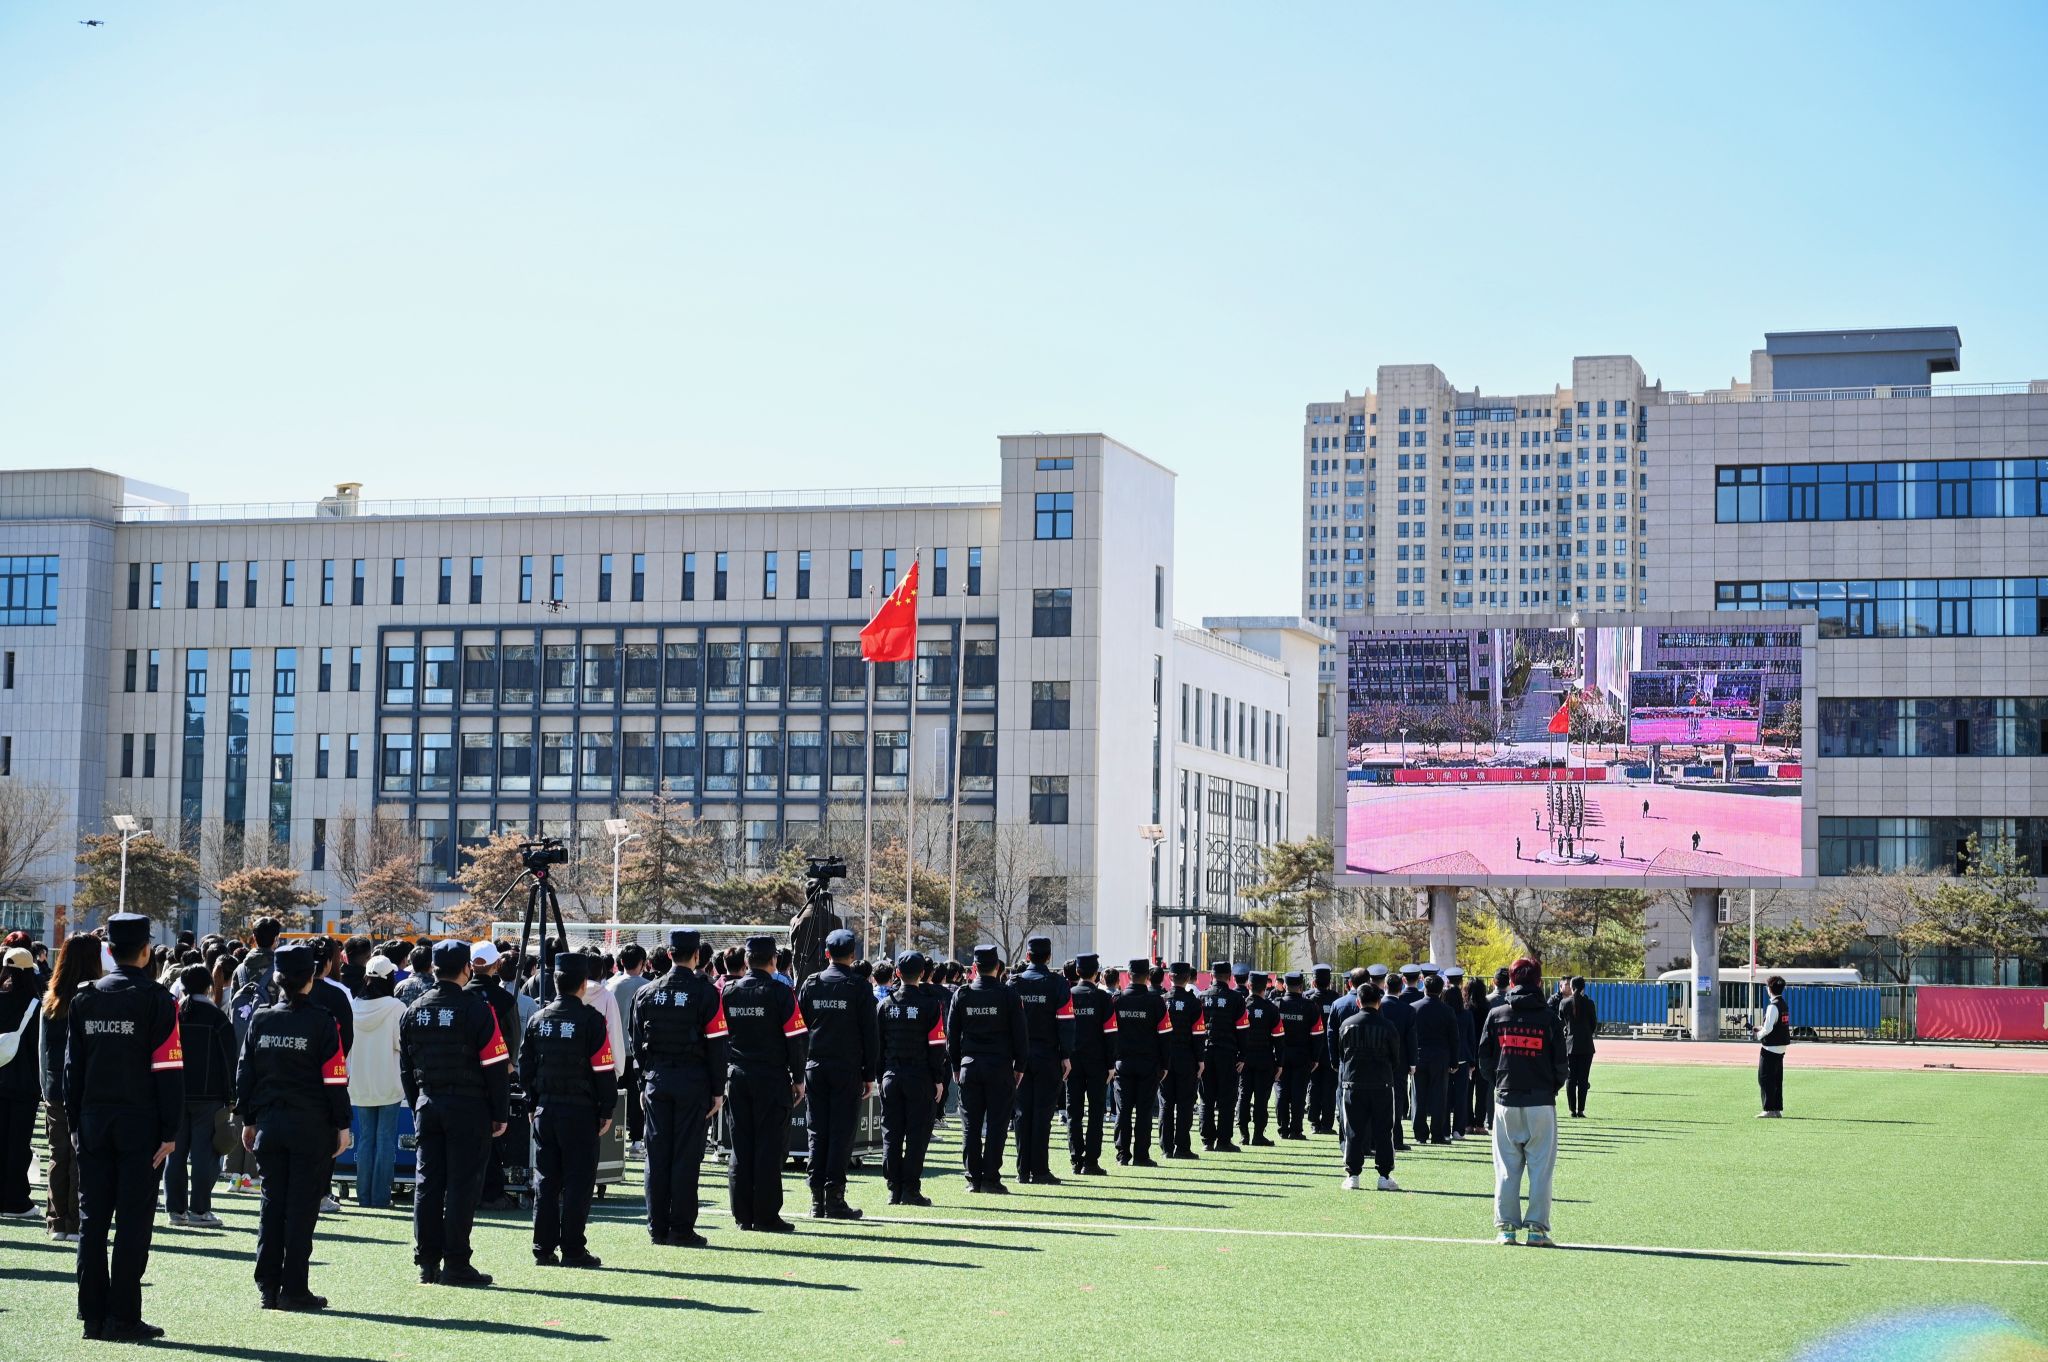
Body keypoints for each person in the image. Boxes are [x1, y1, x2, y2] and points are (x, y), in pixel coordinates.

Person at [67, 913, 182, 1342]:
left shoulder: (84, 997)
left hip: (93, 1120)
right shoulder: (157, 1000)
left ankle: (92, 1316)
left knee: (92, 1220)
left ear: (110, 951)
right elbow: (168, 1070)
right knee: (133, 1222)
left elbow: (72, 1070)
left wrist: (75, 1123)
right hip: (140, 1124)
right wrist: (170, 1131)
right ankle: (124, 1316)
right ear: (146, 951)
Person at [236, 943, 352, 1310]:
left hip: (270, 1124)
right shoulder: (322, 1021)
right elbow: (335, 1079)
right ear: (312, 976)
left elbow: (246, 1072)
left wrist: (248, 1119)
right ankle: (294, 1288)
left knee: (272, 1204)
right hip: (310, 1126)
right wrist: (343, 1125)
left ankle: (268, 1285)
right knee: (302, 1208)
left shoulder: (262, 1019)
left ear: (277, 978)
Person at [399, 939, 512, 1288]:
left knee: (427, 1184)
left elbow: (406, 1068)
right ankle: (457, 1263)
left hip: (428, 1103)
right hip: (468, 1107)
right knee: (462, 1186)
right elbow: (495, 1066)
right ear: (466, 968)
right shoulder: (477, 1009)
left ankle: (427, 1261)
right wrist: (500, 1112)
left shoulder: (414, 1009)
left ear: (434, 968)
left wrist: (418, 1103)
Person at [517, 953, 616, 1268]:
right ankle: (573, 1249)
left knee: (546, 1180)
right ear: (583, 984)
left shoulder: (538, 1019)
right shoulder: (591, 1020)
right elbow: (604, 1070)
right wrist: (607, 1109)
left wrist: (533, 1103)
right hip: (581, 1112)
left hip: (546, 1109)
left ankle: (543, 1248)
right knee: (578, 1181)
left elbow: (525, 1068)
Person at [632, 928, 728, 1247]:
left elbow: (637, 1044)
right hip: (692, 1082)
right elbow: (717, 1046)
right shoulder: (706, 993)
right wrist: (717, 1090)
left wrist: (645, 1082)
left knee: (657, 1155)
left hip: (656, 1081)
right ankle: (681, 1228)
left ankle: (656, 1227)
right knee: (686, 1156)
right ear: (697, 956)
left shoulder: (646, 992)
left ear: (669, 954)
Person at [1478, 957, 1567, 1247]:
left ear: (1512, 981)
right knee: (1541, 1169)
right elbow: (1561, 1064)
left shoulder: (1497, 1014)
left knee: (1506, 1167)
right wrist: (1550, 1088)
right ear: (1539, 982)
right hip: (1541, 1102)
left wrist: (1500, 1083)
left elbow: (1485, 1058)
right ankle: (1537, 1230)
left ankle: (1506, 1228)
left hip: (1506, 1099)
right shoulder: (1549, 1018)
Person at [722, 934, 807, 1232]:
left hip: (737, 1076)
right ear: (773, 960)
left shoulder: (728, 992)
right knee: (770, 1146)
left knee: (741, 1145)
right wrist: (799, 1078)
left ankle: (742, 1214)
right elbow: (797, 1040)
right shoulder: (781, 993)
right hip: (771, 1077)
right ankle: (766, 1215)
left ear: (746, 960)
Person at [797, 928, 878, 1219]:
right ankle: (834, 1198)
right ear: (853, 955)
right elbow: (870, 1034)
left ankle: (816, 1199)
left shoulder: (811, 983)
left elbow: (799, 1030)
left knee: (817, 1131)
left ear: (826, 954)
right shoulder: (859, 987)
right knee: (841, 1133)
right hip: (846, 1069)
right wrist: (869, 1074)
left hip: (815, 1067)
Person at [946, 944, 1027, 1193]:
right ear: (999, 967)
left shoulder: (963, 994)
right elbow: (1020, 1034)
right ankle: (991, 1178)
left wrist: (956, 1065)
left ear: (974, 967)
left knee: (970, 1125)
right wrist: (1020, 1065)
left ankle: (973, 1178)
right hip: (1000, 1066)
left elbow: (952, 1036)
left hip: (970, 1066)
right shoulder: (1008, 994)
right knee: (997, 1124)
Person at [39, 937, 102, 1243]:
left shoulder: (50, 1000)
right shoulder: (95, 998)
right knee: (82, 1155)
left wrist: (45, 1087)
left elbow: (42, 1050)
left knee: (58, 1153)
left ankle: (56, 1222)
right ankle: (77, 1222)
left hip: (54, 1086)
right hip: (87, 1086)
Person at [165, 962, 237, 1227]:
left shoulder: (173, 1015)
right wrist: (231, 1096)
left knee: (175, 1154)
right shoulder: (217, 1018)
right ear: (208, 986)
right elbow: (230, 1060)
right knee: (204, 1155)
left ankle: (176, 1210)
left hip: (175, 1093)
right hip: (210, 1096)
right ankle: (199, 1210)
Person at [877, 951, 947, 1205]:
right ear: (923, 974)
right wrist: (938, 1079)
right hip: (920, 1077)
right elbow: (937, 1046)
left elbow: (877, 1047)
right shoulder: (931, 1005)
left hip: (891, 1076)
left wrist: (880, 1076)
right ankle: (910, 1189)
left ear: (897, 973)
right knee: (917, 1135)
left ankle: (893, 1188)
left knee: (891, 1133)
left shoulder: (885, 1005)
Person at [1007, 936, 1073, 1184]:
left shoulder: (1014, 983)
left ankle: (1022, 1170)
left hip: (1019, 1058)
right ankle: (1040, 1170)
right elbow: (1066, 1023)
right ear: (1048, 957)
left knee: (1021, 1113)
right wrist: (1066, 1055)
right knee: (1043, 1113)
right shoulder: (1058, 984)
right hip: (1048, 1055)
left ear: (1027, 956)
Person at [348, 957, 407, 1209]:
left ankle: (363, 1195)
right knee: (385, 1140)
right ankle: (381, 1197)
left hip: (360, 1081)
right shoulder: (396, 1007)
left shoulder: (353, 1005)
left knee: (365, 1139)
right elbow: (401, 1044)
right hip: (389, 1081)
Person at [1335, 983, 1402, 1192]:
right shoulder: (1388, 1026)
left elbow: (1341, 1054)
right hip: (1382, 1084)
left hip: (1353, 1083)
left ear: (1358, 1001)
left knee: (1353, 1130)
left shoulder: (1346, 1024)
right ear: (1379, 1002)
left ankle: (1353, 1175)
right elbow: (1395, 1058)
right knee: (1384, 1130)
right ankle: (1384, 1176)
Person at [0, 947, 43, 1219]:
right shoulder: (35, 1005)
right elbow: (38, 1049)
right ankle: (16, 1201)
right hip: (24, 1085)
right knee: (18, 1143)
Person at [1111, 957, 1166, 1166]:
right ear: (1147, 977)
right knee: (1144, 1111)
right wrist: (1165, 1064)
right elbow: (1165, 1035)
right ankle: (1141, 1155)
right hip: (1148, 1064)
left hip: (1122, 1063)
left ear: (1128, 975)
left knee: (1123, 1110)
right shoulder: (1156, 1001)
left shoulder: (1117, 1000)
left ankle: (1122, 1154)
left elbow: (1108, 1033)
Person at [1063, 953, 1115, 1176]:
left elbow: (1062, 1030)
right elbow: (1111, 1033)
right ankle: (1091, 1161)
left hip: (1072, 1061)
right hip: (1097, 1062)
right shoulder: (1103, 998)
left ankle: (1076, 1159)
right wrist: (1111, 1064)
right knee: (1096, 1111)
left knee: (1073, 1112)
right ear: (1097, 973)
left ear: (1077, 971)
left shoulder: (1068, 995)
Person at [607, 944, 652, 1158]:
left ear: (621, 962)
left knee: (612, 1096)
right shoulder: (648, 987)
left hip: (613, 1051)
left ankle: (609, 1140)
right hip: (637, 1051)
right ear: (642, 963)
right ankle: (636, 1141)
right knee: (636, 1097)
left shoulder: (609, 986)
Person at [1198, 961, 1246, 1153]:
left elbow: (1196, 1030)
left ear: (1211, 976)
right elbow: (1243, 1030)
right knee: (1227, 1098)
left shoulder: (1202, 997)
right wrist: (1243, 1055)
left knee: (1206, 1098)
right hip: (1228, 1053)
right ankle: (1224, 1141)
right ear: (1230, 977)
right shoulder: (1236, 998)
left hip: (1205, 1053)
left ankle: (1207, 1140)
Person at [1157, 961, 1204, 1159]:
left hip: (1165, 1059)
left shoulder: (1161, 1001)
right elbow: (1199, 1034)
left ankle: (1166, 1148)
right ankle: (1182, 1147)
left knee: (1166, 1103)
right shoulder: (1194, 1002)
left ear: (1170, 977)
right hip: (1187, 1058)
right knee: (1185, 1104)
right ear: (1188, 978)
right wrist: (1200, 1060)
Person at [1273, 973, 1323, 1139]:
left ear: (1285, 986)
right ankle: (1296, 1130)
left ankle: (1283, 1129)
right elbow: (1317, 1035)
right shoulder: (1310, 1006)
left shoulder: (1276, 1004)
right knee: (1299, 1093)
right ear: (1301, 987)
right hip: (1303, 1055)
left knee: (1281, 1091)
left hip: (1280, 1055)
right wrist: (1315, 1058)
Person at [1410, 974, 1457, 1146]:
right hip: (1440, 1057)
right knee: (1439, 1096)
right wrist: (1454, 1061)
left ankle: (1420, 1133)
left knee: (1418, 1096)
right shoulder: (1447, 1010)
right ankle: (1437, 1133)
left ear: (1424, 987)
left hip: (1419, 1056)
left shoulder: (1413, 1008)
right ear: (1441, 990)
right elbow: (1454, 1038)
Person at [1236, 970, 1280, 1146]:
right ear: (1265, 988)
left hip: (1243, 1060)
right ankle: (1258, 1135)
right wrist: (1280, 1063)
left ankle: (1243, 1134)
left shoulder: (1241, 1006)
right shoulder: (1271, 1008)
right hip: (1265, 1059)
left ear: (1249, 985)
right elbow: (1279, 1038)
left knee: (1243, 1096)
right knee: (1262, 1099)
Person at [1305, 964, 1339, 1135]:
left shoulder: (1308, 999)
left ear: (1313, 982)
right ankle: (1327, 1124)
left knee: (1314, 1086)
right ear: (1329, 982)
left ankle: (1314, 1122)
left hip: (1312, 1050)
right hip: (1331, 1050)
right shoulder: (1336, 999)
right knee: (1330, 1088)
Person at [1561, 976, 1598, 1118]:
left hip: (1570, 1045)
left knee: (1571, 1078)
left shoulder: (1564, 1003)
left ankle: (1572, 1110)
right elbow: (1593, 1024)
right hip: (1586, 1045)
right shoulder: (1589, 1003)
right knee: (1583, 1078)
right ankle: (1581, 1110)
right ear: (1584, 988)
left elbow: (1562, 1022)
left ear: (1571, 987)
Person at [1757, 974, 1790, 1118]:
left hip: (1770, 1048)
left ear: (1769, 989)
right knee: (1777, 1079)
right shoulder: (1783, 1004)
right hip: (1781, 1047)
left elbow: (1768, 1028)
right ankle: (1776, 1109)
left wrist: (1758, 1034)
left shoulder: (1772, 1006)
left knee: (1765, 1078)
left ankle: (1768, 1109)